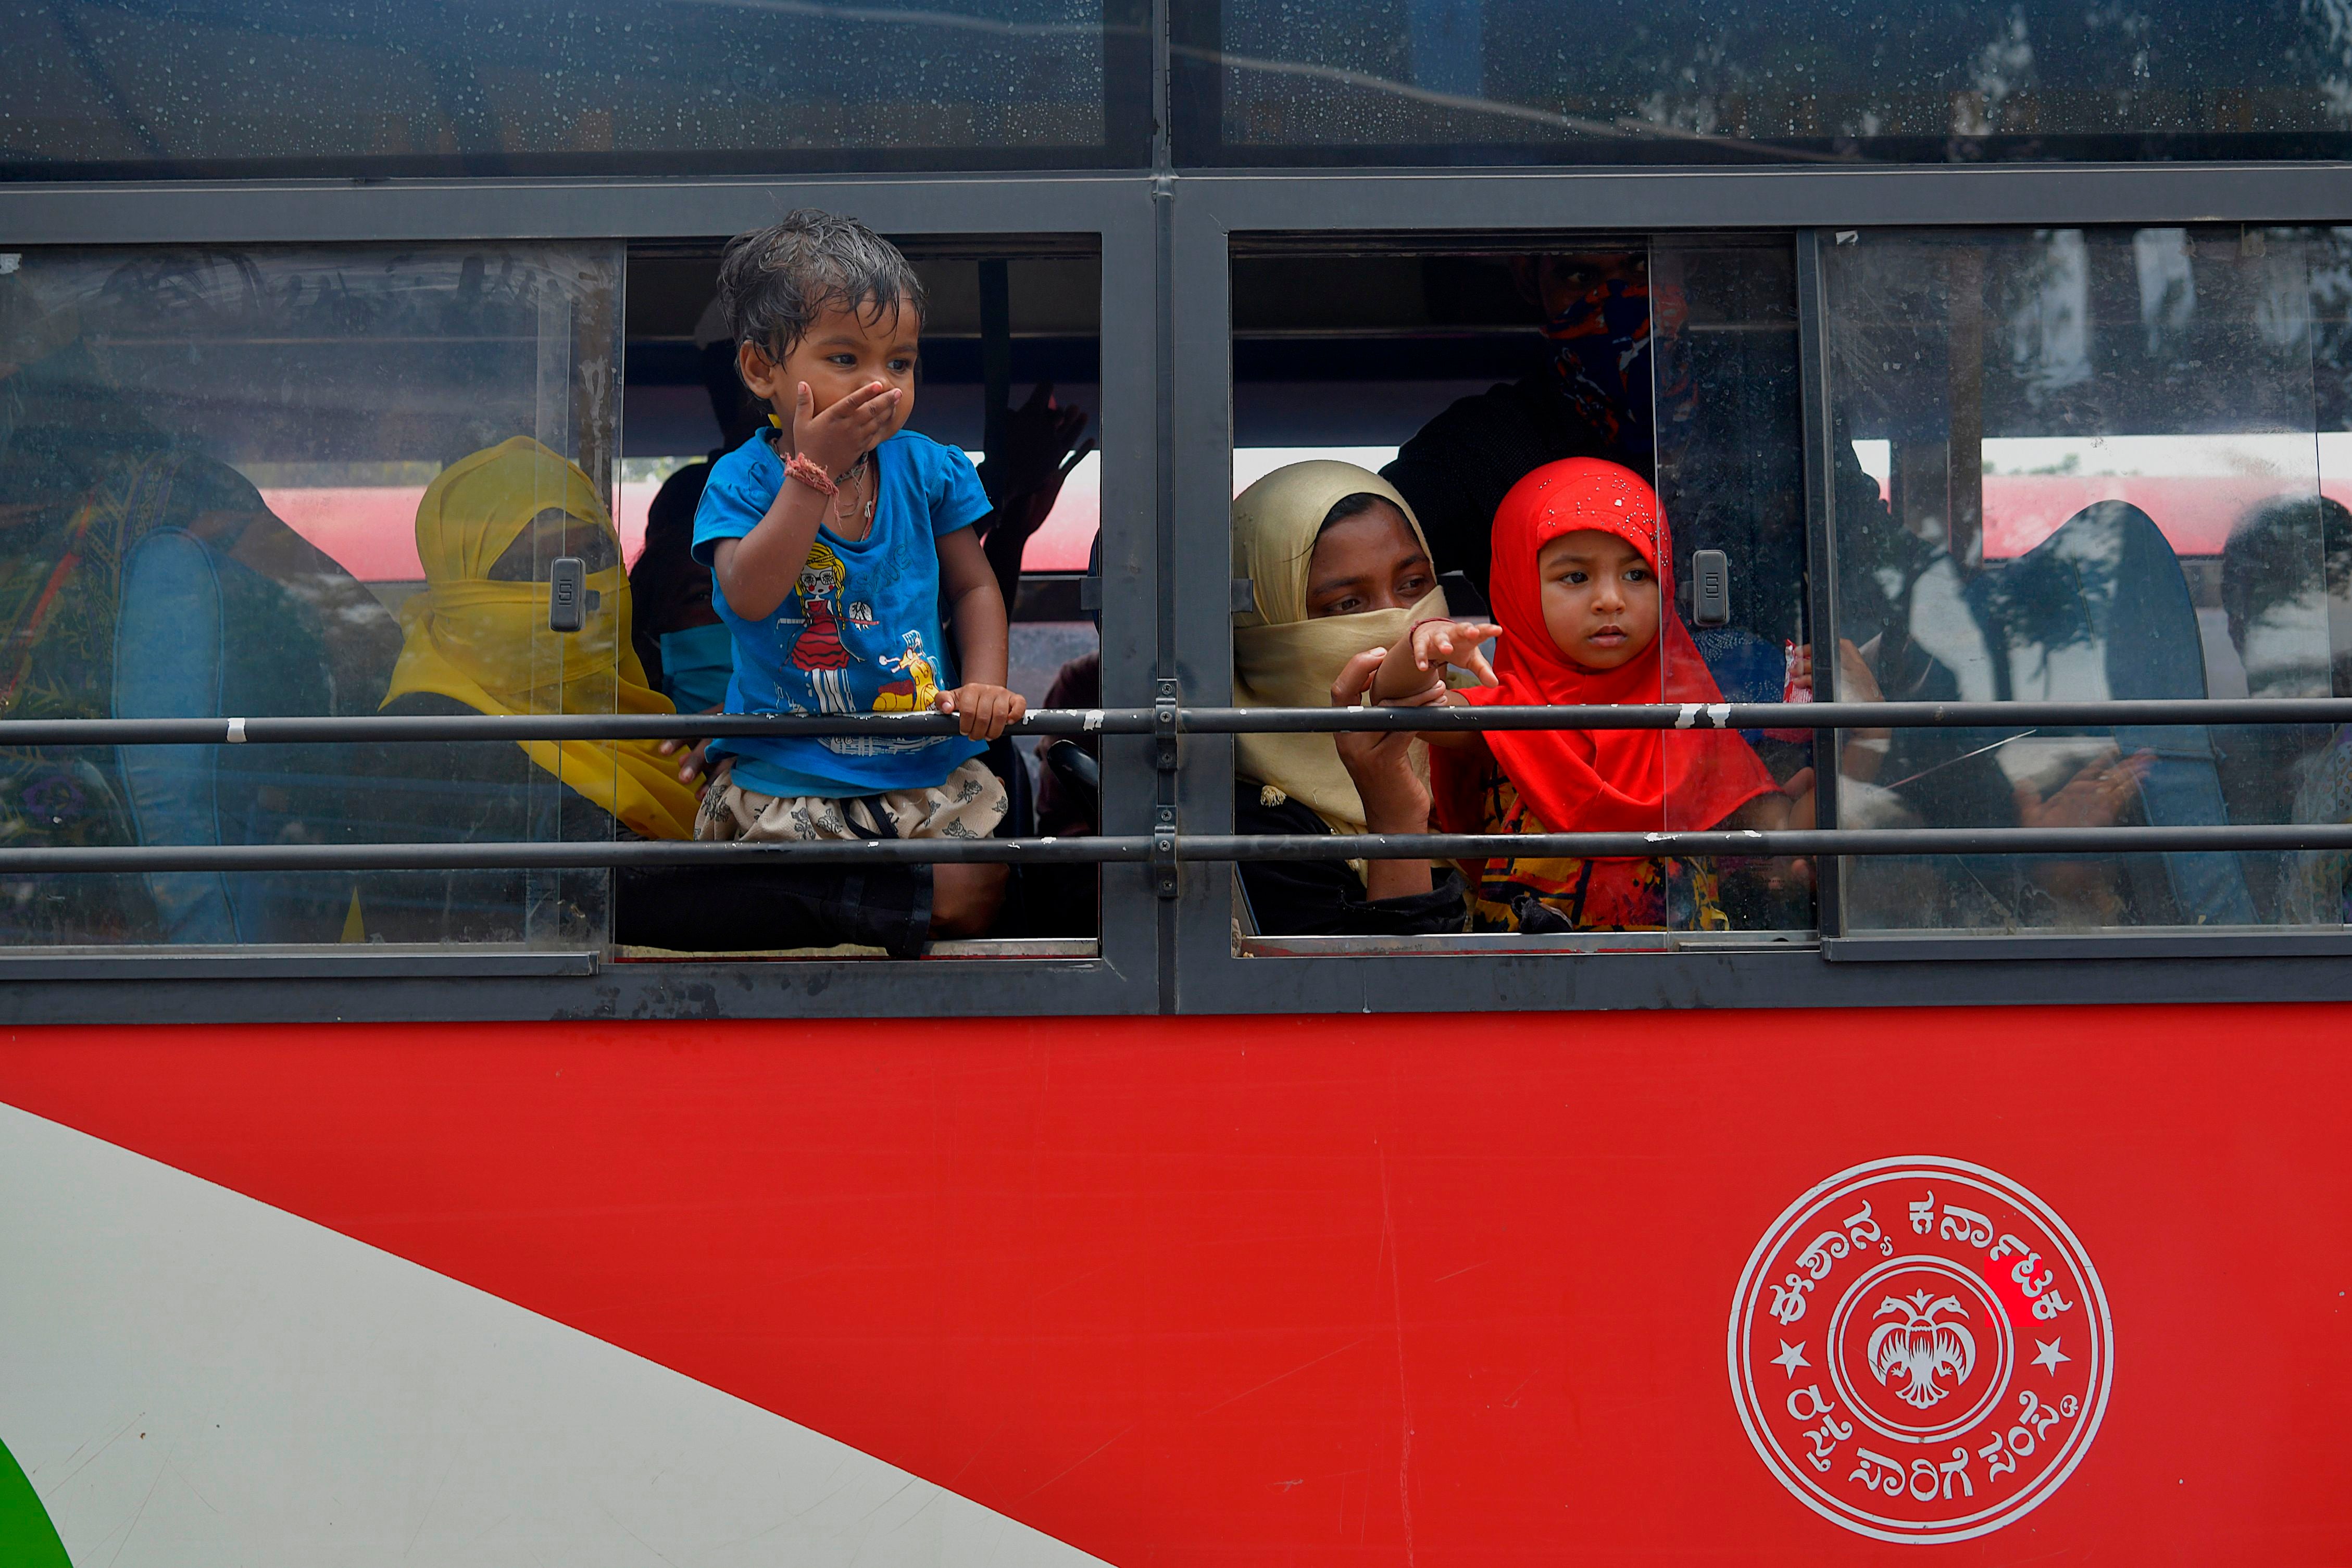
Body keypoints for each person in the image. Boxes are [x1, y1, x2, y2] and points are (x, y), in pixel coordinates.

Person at [690, 211, 1026, 940]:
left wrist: (987, 682)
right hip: (788, 773)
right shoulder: (741, 481)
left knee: (966, 912)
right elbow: (749, 594)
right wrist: (813, 474)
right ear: (760, 369)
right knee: (807, 942)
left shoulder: (928, 467)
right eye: (845, 358)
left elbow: (974, 586)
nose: (880, 384)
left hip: (922, 765)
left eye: (899, 362)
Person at [1368, 458, 1883, 933]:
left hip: (1683, 997)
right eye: (1575, 576)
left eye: (1637, 573)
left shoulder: (1695, 728)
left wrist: (1866, 731)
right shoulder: (1505, 719)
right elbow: (1401, 710)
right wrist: (1419, 646)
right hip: (1522, 999)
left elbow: (1792, 839)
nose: (1610, 599)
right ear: (1520, 586)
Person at [1230, 461, 1480, 936]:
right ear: (1263, 630)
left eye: (1412, 585)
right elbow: (1389, 1002)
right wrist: (1393, 812)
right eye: (1347, 605)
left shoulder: (1502, 732)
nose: (1400, 626)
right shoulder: (1249, 826)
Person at [1381, 253, 1674, 598]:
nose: (1617, 297)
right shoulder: (1485, 447)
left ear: (1691, 262)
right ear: (1527, 279)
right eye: (1580, 276)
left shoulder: (1747, 413)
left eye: (1643, 267)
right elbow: (1352, 552)